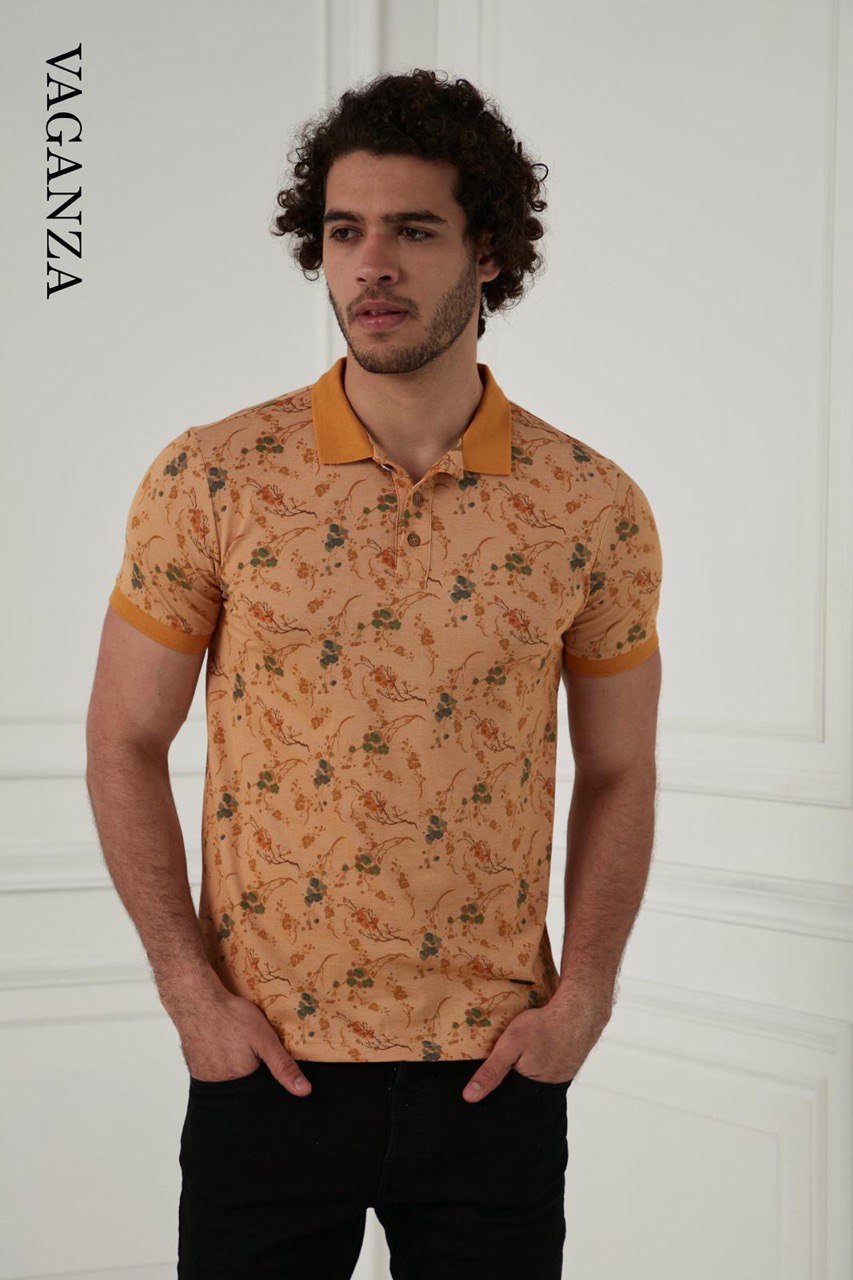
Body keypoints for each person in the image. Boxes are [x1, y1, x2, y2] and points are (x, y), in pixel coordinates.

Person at [86, 68, 663, 1280]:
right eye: (345, 231)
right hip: (264, 1066)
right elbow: (123, 738)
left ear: (488, 251)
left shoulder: (590, 506)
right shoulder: (215, 475)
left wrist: (584, 1000)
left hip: (493, 1077)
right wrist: (189, 991)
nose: (372, 265)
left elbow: (619, 766)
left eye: (413, 229)